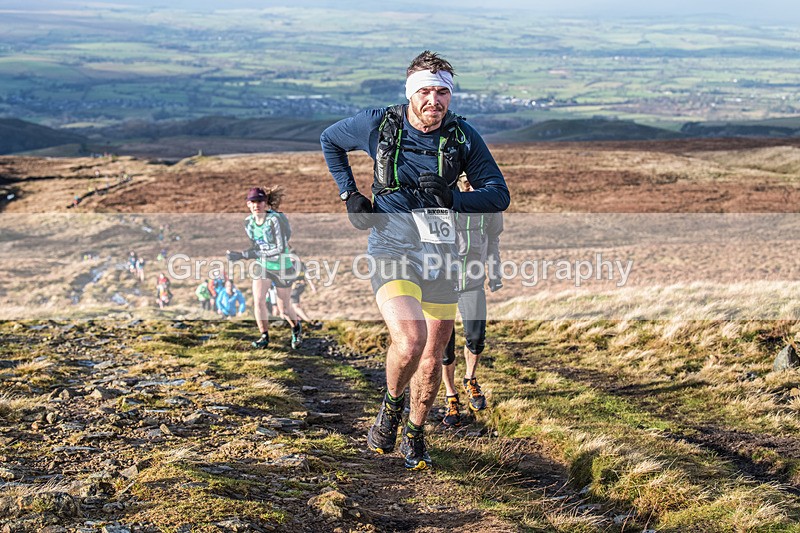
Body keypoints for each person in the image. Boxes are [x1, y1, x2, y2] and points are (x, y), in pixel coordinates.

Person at [320, 50, 509, 470]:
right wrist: (349, 195)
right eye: (425, 90)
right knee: (410, 341)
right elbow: (330, 140)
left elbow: (499, 194)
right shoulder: (379, 124)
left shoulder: (462, 137)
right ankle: (390, 407)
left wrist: (454, 198)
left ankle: (416, 432)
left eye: (442, 92)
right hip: (391, 247)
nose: (434, 100)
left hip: (442, 255)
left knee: (433, 354)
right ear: (411, 93)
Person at [441, 174, 504, 427]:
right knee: (444, 346)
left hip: (473, 282)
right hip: (442, 284)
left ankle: (470, 379)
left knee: (476, 338)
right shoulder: (444, 202)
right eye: (463, 178)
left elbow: (493, 242)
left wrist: (495, 272)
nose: (468, 182)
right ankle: (450, 395)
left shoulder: (489, 206)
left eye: (471, 177)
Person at [227, 186, 302, 349]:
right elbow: (256, 246)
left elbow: (280, 249)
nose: (256, 205)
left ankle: (295, 328)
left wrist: (246, 255)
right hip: (263, 266)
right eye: (253, 202)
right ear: (248, 204)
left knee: (284, 309)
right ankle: (264, 336)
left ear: (265, 202)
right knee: (258, 300)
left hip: (282, 266)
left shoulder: (274, 220)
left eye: (260, 201)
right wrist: (241, 254)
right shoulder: (248, 223)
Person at [286, 257, 319, 327]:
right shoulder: (301, 264)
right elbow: (307, 275)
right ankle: (299, 318)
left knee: (295, 306)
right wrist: (312, 286)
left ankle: (308, 321)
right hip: (301, 286)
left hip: (294, 287)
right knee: (294, 305)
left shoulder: (288, 265)